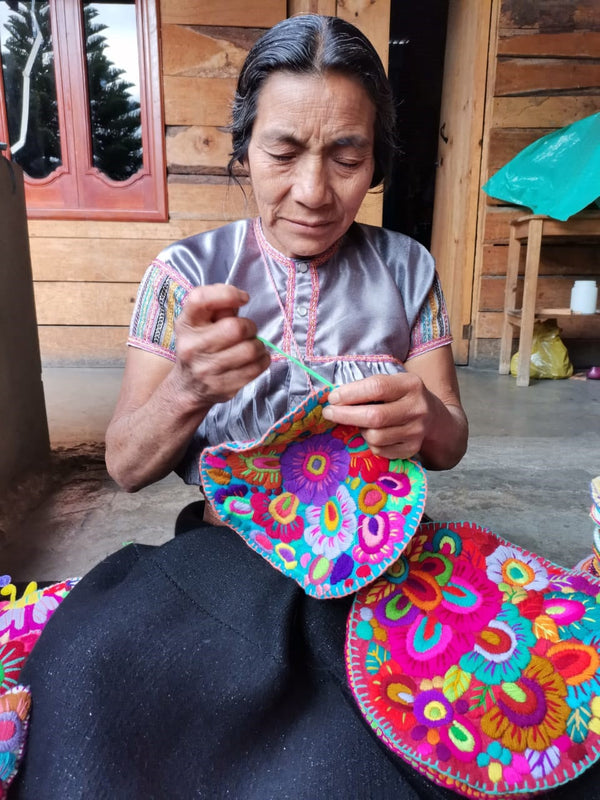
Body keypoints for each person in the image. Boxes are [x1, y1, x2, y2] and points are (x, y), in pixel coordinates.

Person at [9, 14, 600, 800]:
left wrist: (421, 415)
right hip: (227, 558)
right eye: (283, 153)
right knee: (91, 678)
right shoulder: (185, 273)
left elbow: (450, 441)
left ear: (375, 160)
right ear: (245, 148)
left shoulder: (406, 268)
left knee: (457, 723)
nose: (315, 191)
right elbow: (124, 465)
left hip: (385, 565)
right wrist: (187, 388)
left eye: (347, 156)